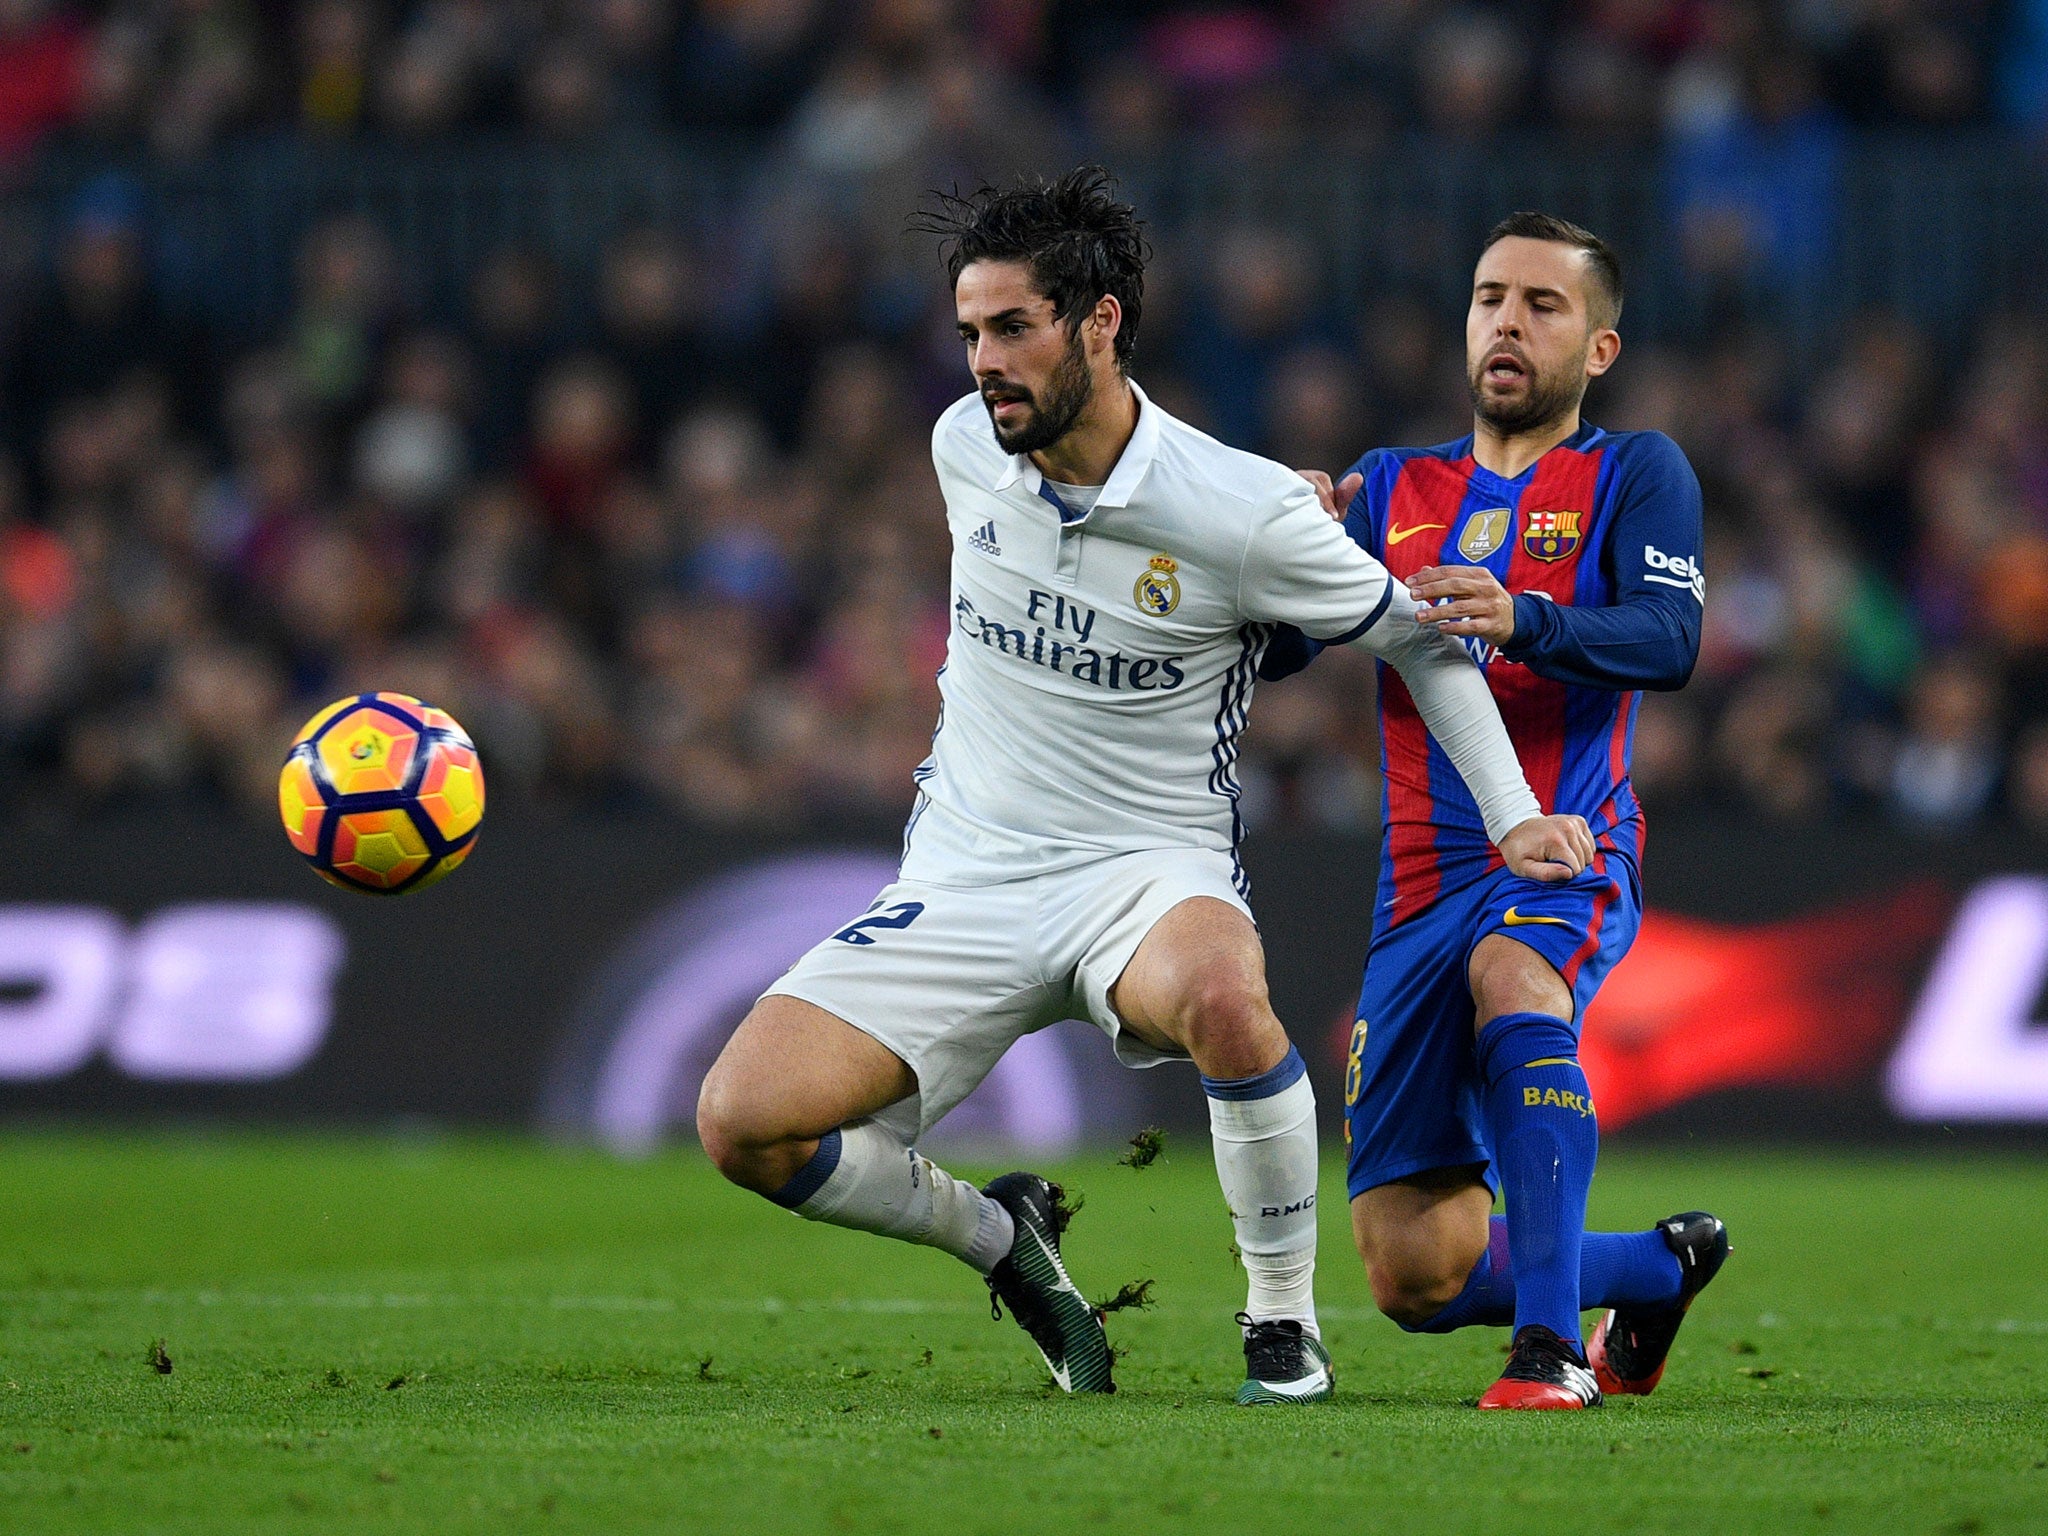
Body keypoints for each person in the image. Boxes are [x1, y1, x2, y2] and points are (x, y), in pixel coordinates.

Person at [695, 170, 1594, 1403]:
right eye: (969, 333)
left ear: (1100, 323)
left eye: (1013, 329)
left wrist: (1513, 818)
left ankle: (1280, 1321)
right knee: (743, 1123)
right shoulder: (968, 446)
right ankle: (1002, 1241)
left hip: (1146, 872)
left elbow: (1421, 643)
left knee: (1229, 1004)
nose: (984, 364)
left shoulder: (1240, 507)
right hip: (966, 870)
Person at [1273, 212, 1728, 1409]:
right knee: (1412, 1272)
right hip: (1416, 884)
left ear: (1598, 349)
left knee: (1513, 981)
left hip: (1566, 840)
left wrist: (1519, 613)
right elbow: (1273, 654)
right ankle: (1653, 1270)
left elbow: (1669, 638)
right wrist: (1287, 549)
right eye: (1488, 299)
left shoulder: (1635, 473)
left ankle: (1549, 1354)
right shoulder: (1390, 487)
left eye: (1541, 304)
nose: (1506, 324)